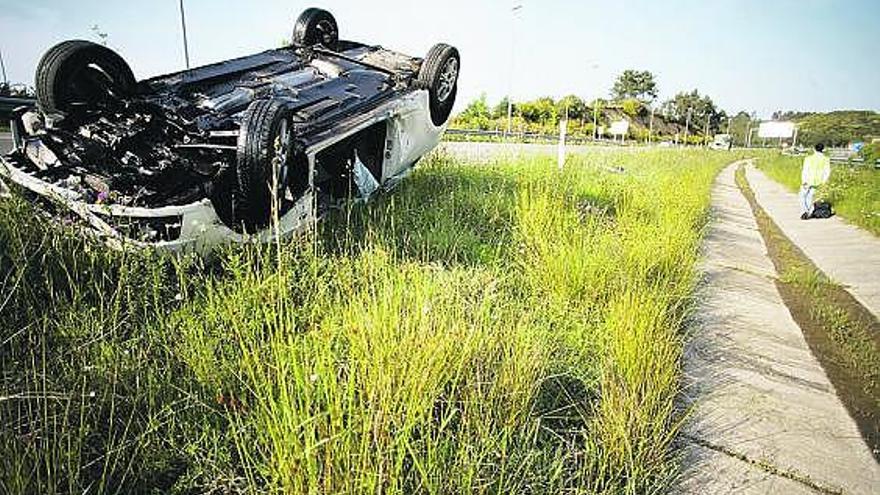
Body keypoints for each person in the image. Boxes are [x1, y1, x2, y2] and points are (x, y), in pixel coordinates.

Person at [799, 143, 831, 219]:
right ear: (823, 149)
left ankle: (805, 211)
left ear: (814, 149)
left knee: (802, 196)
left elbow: (805, 170)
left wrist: (804, 180)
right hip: (818, 181)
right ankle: (809, 212)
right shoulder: (826, 159)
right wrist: (824, 180)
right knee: (810, 196)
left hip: (808, 179)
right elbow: (827, 171)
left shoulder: (809, 158)